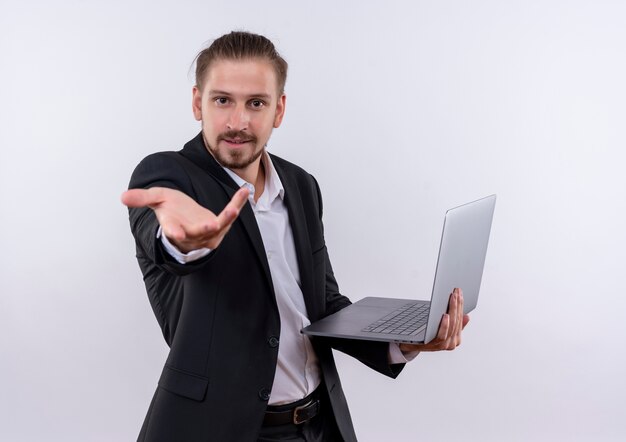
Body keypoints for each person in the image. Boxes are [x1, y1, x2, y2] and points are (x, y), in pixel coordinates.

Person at [122, 31, 469, 442]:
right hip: (222, 430)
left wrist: (405, 340)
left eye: (256, 103)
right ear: (198, 102)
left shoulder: (302, 186)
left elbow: (322, 305)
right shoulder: (168, 177)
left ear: (279, 109)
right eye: (222, 100)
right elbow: (160, 235)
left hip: (319, 425)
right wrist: (182, 242)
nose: (238, 122)